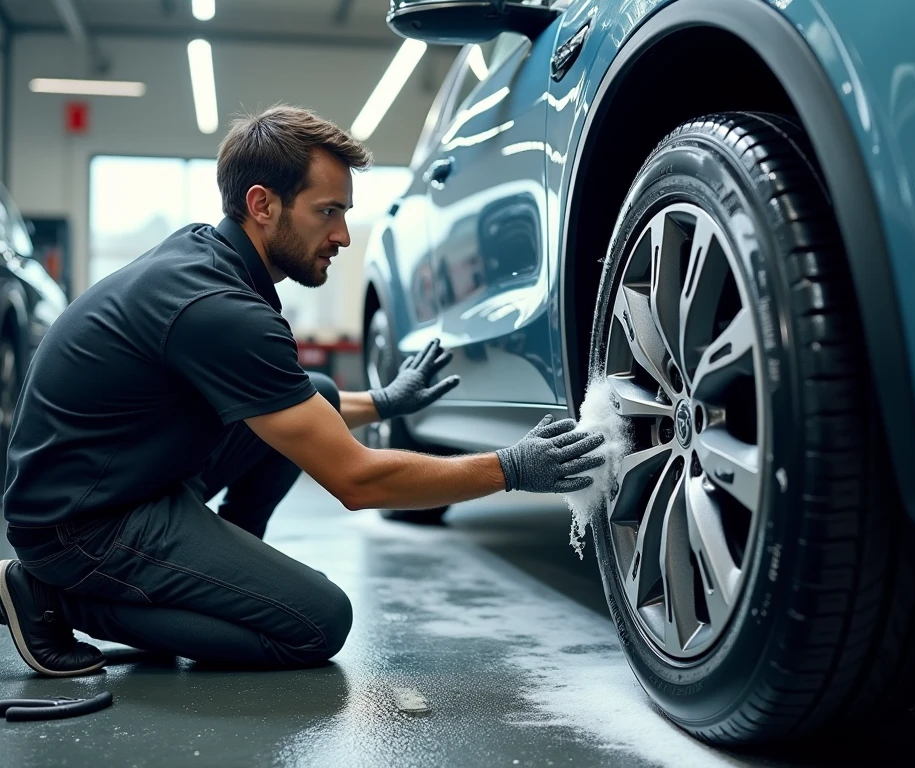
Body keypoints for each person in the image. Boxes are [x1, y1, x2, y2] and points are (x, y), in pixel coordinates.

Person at [0, 106, 605, 677]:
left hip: (117, 481)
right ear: (262, 204)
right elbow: (356, 480)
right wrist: (511, 469)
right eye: (328, 212)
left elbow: (296, 403)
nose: (343, 235)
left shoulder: (209, 260)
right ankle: (53, 599)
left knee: (312, 388)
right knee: (316, 624)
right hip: (79, 527)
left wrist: (388, 401)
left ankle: (225, 567)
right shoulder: (220, 309)